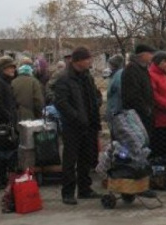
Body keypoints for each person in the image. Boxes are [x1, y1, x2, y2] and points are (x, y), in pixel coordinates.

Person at [53, 47, 102, 205]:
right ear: (78, 61)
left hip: (89, 124)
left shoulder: (87, 76)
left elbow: (95, 94)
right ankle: (68, 192)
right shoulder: (64, 78)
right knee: (70, 159)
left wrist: (97, 103)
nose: (90, 61)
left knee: (85, 159)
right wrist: (76, 117)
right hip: (73, 126)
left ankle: (84, 189)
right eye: (87, 59)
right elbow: (61, 103)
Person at [0, 56, 18, 189]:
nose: (13, 69)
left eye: (13, 67)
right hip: (2, 123)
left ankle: (2, 177)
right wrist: (7, 117)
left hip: (8, 120)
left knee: (8, 150)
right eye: (10, 67)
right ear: (3, 69)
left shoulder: (6, 82)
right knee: (1, 151)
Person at [121, 44, 157, 135]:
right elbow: (132, 95)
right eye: (150, 54)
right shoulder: (131, 69)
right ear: (142, 55)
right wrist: (146, 110)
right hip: (137, 117)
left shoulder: (143, 69)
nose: (152, 57)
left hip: (146, 117)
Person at [104, 54, 125, 123]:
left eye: (110, 64)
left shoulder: (118, 76)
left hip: (117, 113)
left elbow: (121, 93)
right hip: (114, 112)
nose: (109, 66)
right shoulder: (114, 75)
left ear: (114, 65)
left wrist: (115, 111)